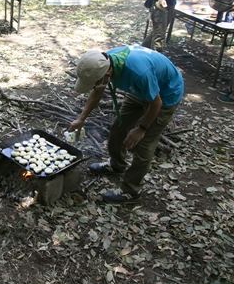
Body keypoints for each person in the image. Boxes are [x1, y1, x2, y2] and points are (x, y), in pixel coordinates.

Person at [69, 45, 184, 203]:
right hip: (140, 91)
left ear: (107, 73)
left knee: (144, 145)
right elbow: (97, 91)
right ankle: (117, 166)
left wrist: (141, 128)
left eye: (95, 82)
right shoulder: (104, 61)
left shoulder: (138, 72)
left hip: (165, 95)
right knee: (118, 129)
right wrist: (81, 118)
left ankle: (131, 192)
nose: (94, 86)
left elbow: (156, 103)